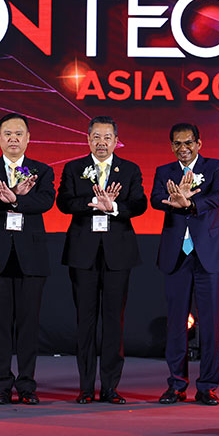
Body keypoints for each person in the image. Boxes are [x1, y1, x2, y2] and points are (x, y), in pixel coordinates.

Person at [56, 116, 147, 404]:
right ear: (88, 139)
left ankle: (110, 387)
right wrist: (93, 203)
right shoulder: (74, 168)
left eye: (107, 137)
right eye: (96, 137)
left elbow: (140, 204)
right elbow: (63, 202)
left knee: (113, 321)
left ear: (116, 141)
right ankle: (85, 387)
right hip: (83, 253)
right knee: (85, 321)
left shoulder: (129, 169)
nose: (101, 143)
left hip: (118, 254)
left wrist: (114, 206)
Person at [150, 123, 219, 406]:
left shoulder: (216, 166)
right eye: (177, 143)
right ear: (171, 146)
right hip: (177, 254)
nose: (183, 148)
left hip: (209, 253)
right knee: (176, 323)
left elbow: (218, 197)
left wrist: (189, 204)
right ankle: (176, 385)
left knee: (210, 323)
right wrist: (173, 201)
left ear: (199, 143)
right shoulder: (164, 171)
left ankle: (207, 386)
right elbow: (155, 199)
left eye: (188, 142)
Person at [0, 113, 55, 405]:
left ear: (28, 138)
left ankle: (27, 385)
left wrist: (17, 199)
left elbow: (45, 201)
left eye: (19, 133)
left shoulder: (42, 170)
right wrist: (5, 197)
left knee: (29, 325)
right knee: (0, 325)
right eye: (7, 133)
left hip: (31, 257)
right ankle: (3, 385)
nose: (13, 139)